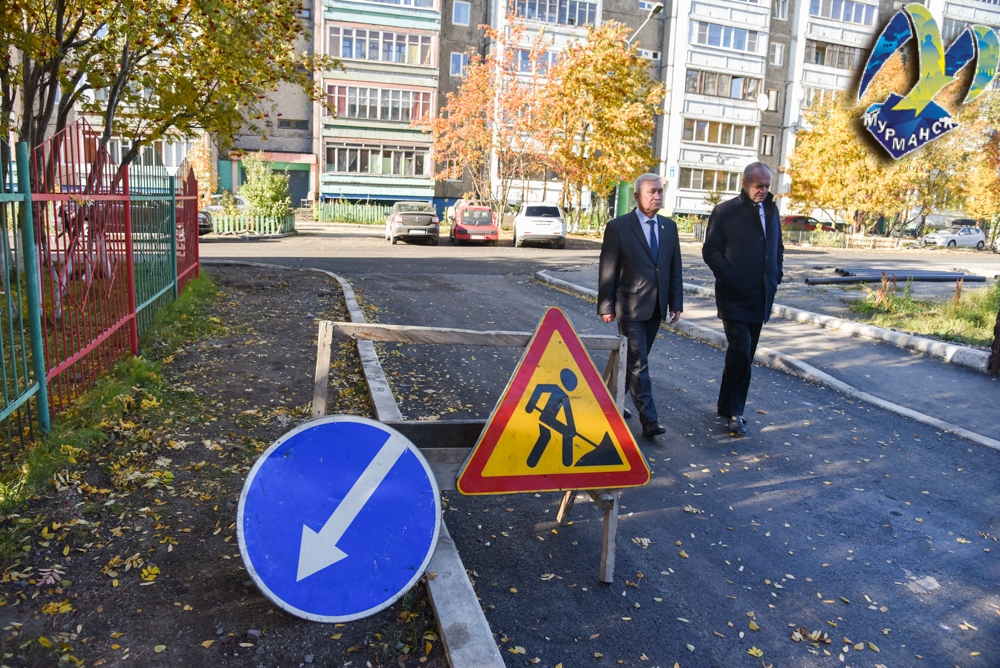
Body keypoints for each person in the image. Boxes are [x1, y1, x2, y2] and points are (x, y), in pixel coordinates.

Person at [598, 173, 683, 438]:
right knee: (638, 364)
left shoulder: (669, 227)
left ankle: (607, 402)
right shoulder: (619, 227)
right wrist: (606, 305)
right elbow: (608, 268)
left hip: (657, 306)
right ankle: (650, 421)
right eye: (651, 192)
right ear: (637, 196)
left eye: (660, 191)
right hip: (630, 306)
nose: (657, 196)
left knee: (632, 360)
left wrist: (676, 302)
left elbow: (674, 268)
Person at [702, 162, 784, 436]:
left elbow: (777, 247)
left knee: (744, 355)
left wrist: (776, 274)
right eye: (759, 186)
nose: (763, 191)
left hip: (760, 297)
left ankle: (726, 405)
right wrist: (730, 277)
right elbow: (711, 250)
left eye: (767, 186)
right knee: (741, 349)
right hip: (733, 297)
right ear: (745, 183)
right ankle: (735, 412)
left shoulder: (771, 211)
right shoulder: (725, 212)